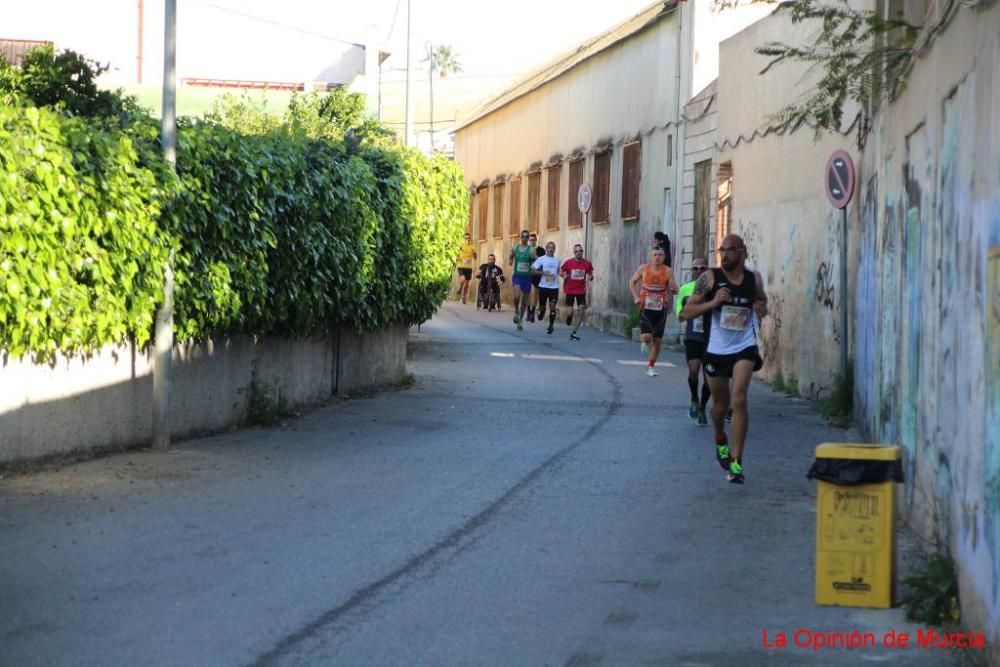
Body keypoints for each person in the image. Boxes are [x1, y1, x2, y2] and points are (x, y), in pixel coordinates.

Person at [681, 234, 768, 484]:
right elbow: (687, 312)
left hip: (744, 347)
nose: (724, 255)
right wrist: (714, 303)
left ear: (743, 252)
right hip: (716, 349)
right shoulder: (710, 278)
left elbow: (761, 298)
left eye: (729, 251)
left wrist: (762, 308)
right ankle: (720, 437)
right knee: (720, 406)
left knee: (739, 401)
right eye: (721, 251)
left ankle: (737, 463)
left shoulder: (753, 278)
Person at [629, 245, 679, 376]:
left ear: (664, 257)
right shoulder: (643, 268)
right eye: (655, 255)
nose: (657, 257)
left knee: (657, 341)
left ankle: (651, 367)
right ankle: (645, 342)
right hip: (645, 306)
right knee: (646, 337)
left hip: (661, 308)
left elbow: (676, 289)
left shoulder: (668, 271)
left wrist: (673, 289)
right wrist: (635, 297)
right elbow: (632, 282)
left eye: (660, 255)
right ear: (651, 256)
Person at [676, 258, 711, 425]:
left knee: (709, 377)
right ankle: (694, 398)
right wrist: (690, 311)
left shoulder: (714, 289)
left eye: (702, 267)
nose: (698, 270)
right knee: (694, 370)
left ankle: (703, 407)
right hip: (693, 336)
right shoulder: (685, 289)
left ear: (707, 270)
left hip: (711, 338)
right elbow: (680, 315)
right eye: (695, 268)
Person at [559, 243, 594, 341]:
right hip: (570, 289)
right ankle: (569, 317)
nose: (578, 253)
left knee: (581, 310)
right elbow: (561, 271)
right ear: (574, 253)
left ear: (582, 252)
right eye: (576, 251)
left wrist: (591, 277)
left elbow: (590, 274)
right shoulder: (568, 263)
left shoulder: (587, 263)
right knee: (570, 312)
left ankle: (574, 332)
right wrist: (563, 276)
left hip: (581, 291)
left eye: (580, 251)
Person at [531, 241, 561, 334]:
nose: (551, 249)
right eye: (549, 248)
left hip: (554, 287)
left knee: (553, 307)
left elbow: (559, 271)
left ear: (555, 249)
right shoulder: (541, 259)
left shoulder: (558, 260)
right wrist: (542, 273)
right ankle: (541, 313)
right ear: (546, 249)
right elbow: (532, 270)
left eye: (553, 248)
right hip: (543, 286)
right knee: (543, 307)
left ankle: (551, 326)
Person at [508, 230, 534, 330]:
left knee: (524, 301)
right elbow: (511, 256)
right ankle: (516, 311)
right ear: (520, 237)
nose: (524, 238)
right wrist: (510, 260)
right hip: (517, 276)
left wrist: (533, 263)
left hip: (527, 277)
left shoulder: (531, 250)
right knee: (517, 296)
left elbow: (536, 261)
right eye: (522, 236)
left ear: (528, 238)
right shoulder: (515, 248)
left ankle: (520, 321)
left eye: (526, 236)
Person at [525, 232, 546, 322]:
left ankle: (532, 313)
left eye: (533, 240)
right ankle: (529, 311)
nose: (532, 242)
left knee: (535, 294)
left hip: (537, 274)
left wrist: (536, 256)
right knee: (528, 294)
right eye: (530, 240)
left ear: (536, 240)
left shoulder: (541, 250)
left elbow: (543, 262)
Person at [456, 232, 477, 304]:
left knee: (467, 283)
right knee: (463, 279)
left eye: (469, 238)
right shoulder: (460, 246)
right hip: (461, 265)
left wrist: (474, 254)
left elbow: (475, 257)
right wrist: (461, 260)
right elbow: (456, 256)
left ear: (470, 239)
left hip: (469, 267)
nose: (467, 240)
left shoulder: (472, 246)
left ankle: (463, 297)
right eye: (466, 238)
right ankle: (460, 287)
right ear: (463, 239)